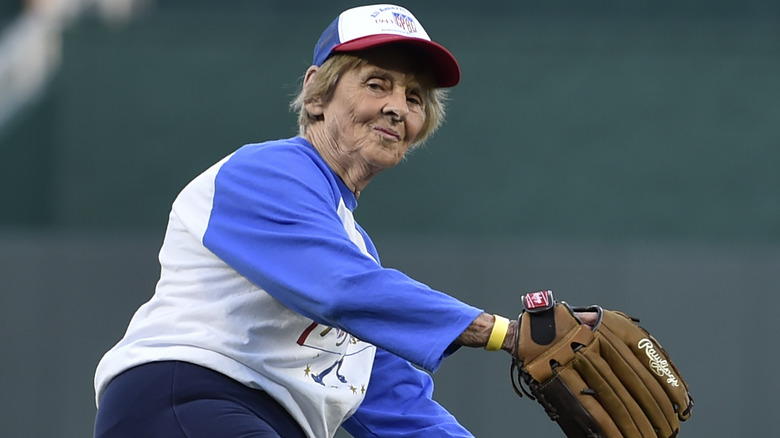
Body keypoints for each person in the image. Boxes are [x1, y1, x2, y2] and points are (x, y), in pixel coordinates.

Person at [94, 4, 589, 437]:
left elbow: (398, 407)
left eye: (415, 97)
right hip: (188, 400)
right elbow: (341, 287)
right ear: (316, 94)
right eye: (377, 84)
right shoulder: (262, 172)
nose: (397, 107)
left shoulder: (352, 246)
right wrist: (501, 332)